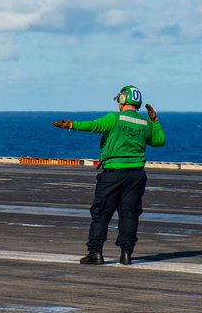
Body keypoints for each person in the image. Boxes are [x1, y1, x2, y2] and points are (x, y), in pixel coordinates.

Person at [53, 85, 165, 266]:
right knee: (129, 214)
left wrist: (72, 125)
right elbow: (159, 141)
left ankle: (95, 253)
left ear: (123, 100)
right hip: (136, 175)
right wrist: (155, 120)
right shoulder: (145, 123)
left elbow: (93, 126)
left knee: (101, 213)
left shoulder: (114, 118)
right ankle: (126, 254)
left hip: (112, 175)